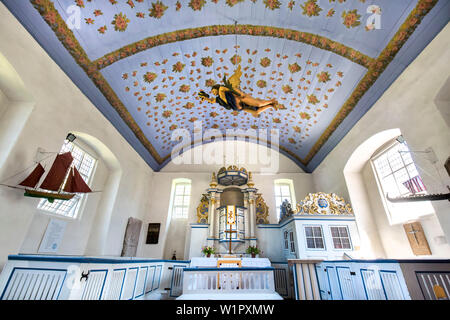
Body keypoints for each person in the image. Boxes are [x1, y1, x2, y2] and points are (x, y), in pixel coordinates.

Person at [198, 65, 278, 117]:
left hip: (241, 99)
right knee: (256, 112)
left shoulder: (222, 89)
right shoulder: (219, 99)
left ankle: (271, 100)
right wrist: (206, 98)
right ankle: (270, 105)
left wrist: (239, 92)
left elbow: (231, 89)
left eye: (213, 91)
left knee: (258, 103)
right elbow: (212, 101)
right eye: (213, 93)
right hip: (239, 107)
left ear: (216, 87)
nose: (213, 93)